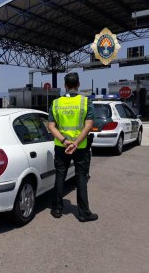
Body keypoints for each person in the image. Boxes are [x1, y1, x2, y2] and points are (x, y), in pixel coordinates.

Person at [48, 73, 98, 222]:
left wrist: (64, 141)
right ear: (78, 84)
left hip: (61, 146)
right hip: (80, 147)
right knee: (81, 177)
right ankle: (83, 213)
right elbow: (89, 125)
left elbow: (51, 126)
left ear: (65, 86)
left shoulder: (56, 103)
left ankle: (57, 209)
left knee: (60, 176)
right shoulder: (85, 102)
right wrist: (76, 143)